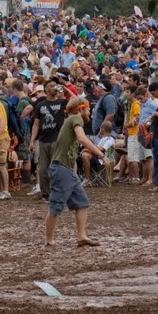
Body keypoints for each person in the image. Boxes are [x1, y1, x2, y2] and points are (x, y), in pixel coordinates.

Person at [44, 96, 104, 248]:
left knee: (81, 203)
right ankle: (49, 240)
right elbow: (82, 138)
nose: (90, 112)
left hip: (66, 169)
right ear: (80, 109)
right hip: (61, 168)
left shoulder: (70, 119)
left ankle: (82, 236)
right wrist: (100, 154)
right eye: (88, 109)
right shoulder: (75, 118)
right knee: (56, 207)